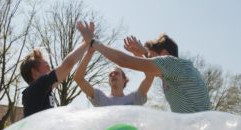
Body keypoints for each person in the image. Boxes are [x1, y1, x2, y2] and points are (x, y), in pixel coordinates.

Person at [77, 21, 210, 113]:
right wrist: (142, 53)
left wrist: (93, 42)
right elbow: (150, 68)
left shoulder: (171, 63)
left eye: (153, 57)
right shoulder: (175, 70)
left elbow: (123, 60)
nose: (150, 60)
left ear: (163, 54)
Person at [73, 37, 154, 107]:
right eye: (110, 74)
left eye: (116, 73)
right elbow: (78, 78)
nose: (113, 75)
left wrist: (138, 55)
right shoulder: (100, 98)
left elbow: (150, 77)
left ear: (124, 80)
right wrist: (89, 53)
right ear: (108, 81)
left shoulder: (135, 98)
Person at [20, 38, 90, 117]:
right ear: (34, 72)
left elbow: (65, 71)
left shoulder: (42, 91)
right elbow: (67, 65)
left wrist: (87, 50)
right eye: (47, 66)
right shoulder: (36, 88)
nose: (50, 69)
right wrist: (86, 43)